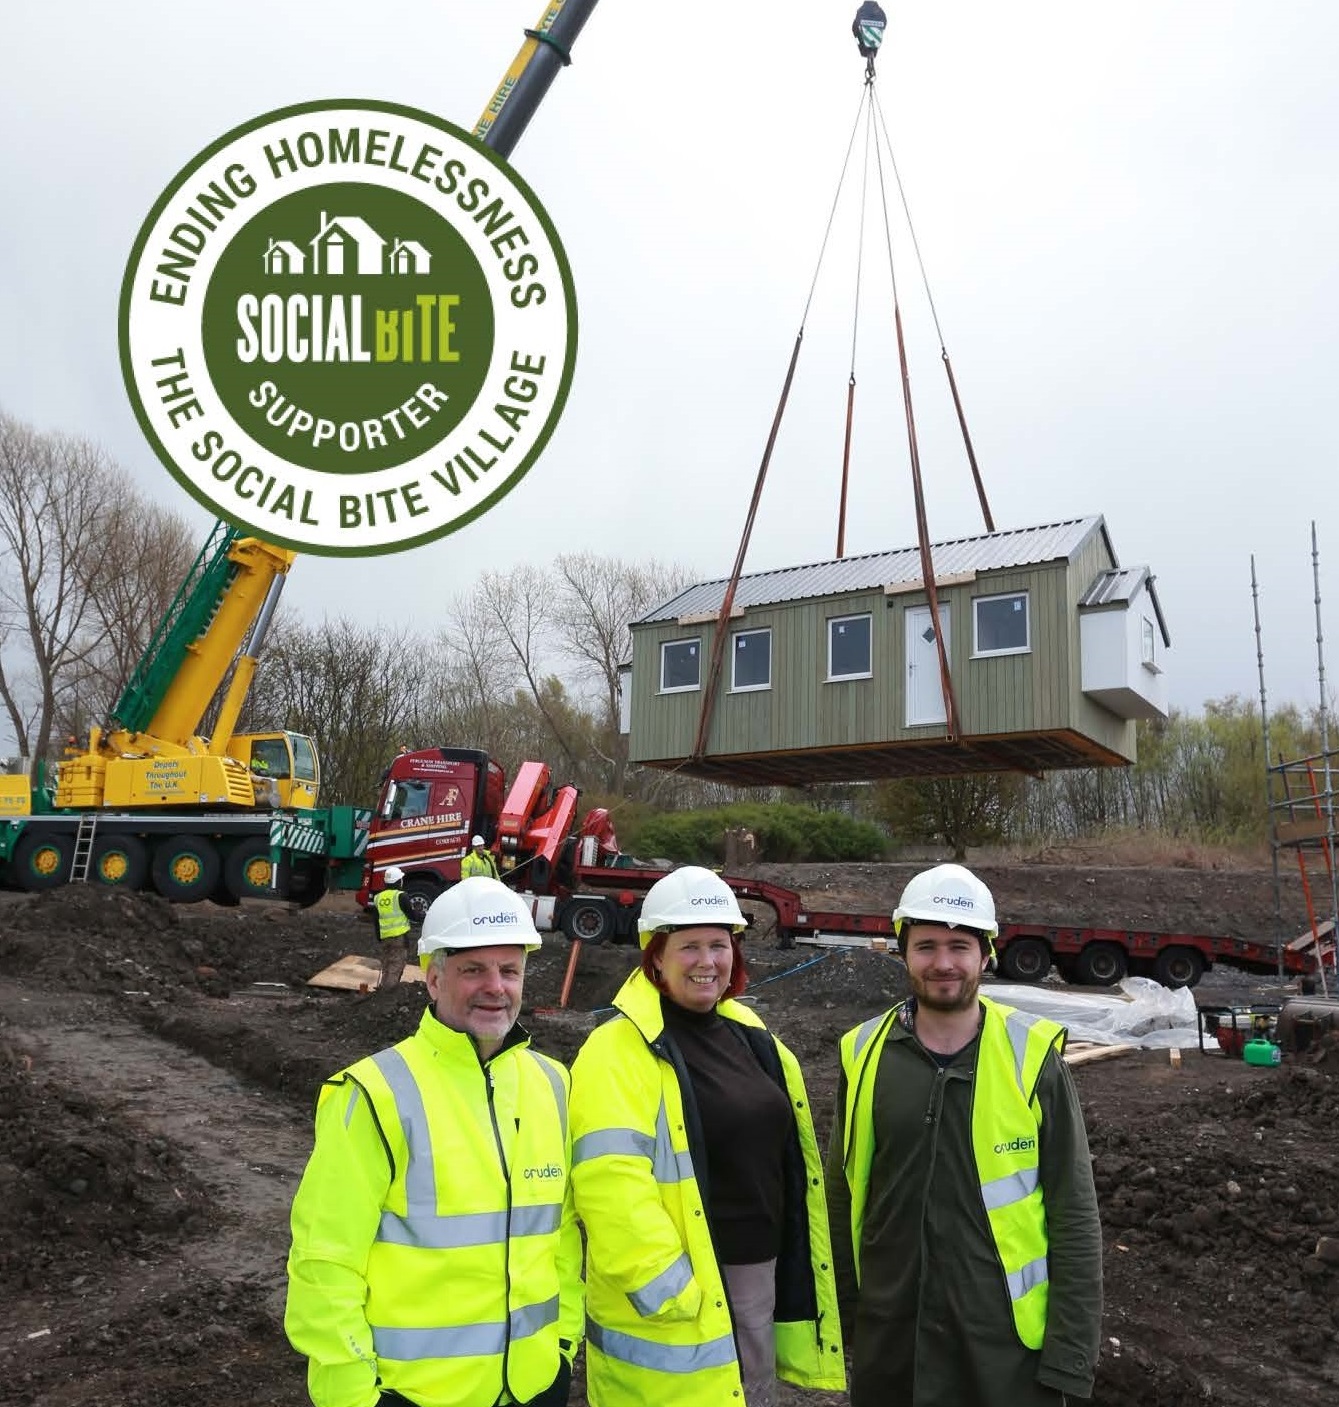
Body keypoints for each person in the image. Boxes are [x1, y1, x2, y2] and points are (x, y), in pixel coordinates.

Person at [286, 876, 583, 1407]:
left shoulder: (554, 1083)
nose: (496, 986)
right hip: (414, 1394)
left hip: (535, 1386)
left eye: (509, 970)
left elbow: (560, 1233)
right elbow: (324, 1261)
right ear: (433, 979)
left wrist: (562, 1342)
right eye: (474, 970)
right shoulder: (374, 1095)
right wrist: (356, 1394)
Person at [825, 863, 1103, 1407]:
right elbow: (842, 1193)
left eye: (959, 946)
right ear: (903, 952)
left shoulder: (1033, 1059)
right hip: (891, 1344)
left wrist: (1070, 1354)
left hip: (1002, 1350)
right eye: (926, 946)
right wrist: (843, 1316)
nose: (943, 963)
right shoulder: (862, 1053)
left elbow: (1074, 1213)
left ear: (986, 954)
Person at [569, 866, 844, 1407]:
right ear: (656, 957)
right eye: (689, 946)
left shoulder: (750, 1033)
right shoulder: (616, 1050)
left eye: (719, 945)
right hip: (684, 1286)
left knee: (752, 1395)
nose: (706, 962)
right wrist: (668, 1286)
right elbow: (608, 1182)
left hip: (755, 1269)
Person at [373, 866, 413, 992]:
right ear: (398, 881)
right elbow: (412, 915)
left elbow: (376, 919)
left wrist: (379, 936)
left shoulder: (378, 898)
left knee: (386, 963)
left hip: (385, 937)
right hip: (399, 937)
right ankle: (388, 993)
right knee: (396, 964)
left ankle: (383, 988)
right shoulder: (401, 896)